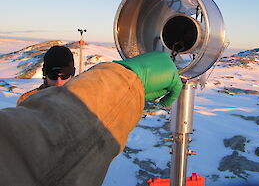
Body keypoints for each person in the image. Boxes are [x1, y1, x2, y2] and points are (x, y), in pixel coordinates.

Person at [0, 51, 182, 186]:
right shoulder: (28, 101)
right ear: (44, 75)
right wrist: (124, 80)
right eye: (53, 76)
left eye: (65, 76)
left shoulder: (82, 91)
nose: (59, 82)